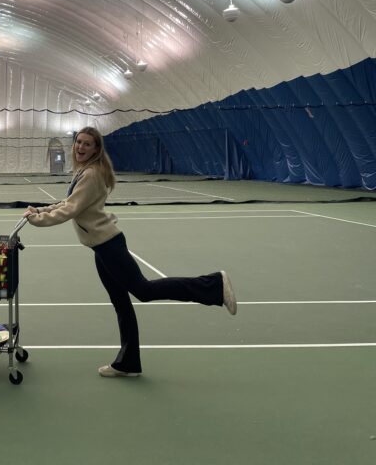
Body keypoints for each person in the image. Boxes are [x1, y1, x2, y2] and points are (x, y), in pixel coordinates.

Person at [23, 126, 237, 378]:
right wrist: (41, 210)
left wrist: (38, 221)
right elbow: (68, 203)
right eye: (78, 142)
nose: (80, 147)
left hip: (109, 246)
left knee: (143, 291)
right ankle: (129, 363)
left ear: (96, 149)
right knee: (121, 303)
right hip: (100, 248)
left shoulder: (91, 174)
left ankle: (213, 285)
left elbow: (69, 210)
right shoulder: (83, 171)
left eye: (87, 144)